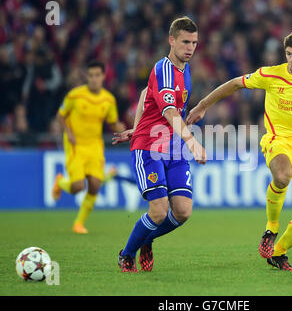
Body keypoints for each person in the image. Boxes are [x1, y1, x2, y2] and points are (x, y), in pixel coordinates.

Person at [187, 30, 292, 271]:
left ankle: (278, 252)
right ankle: (271, 227)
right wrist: (202, 106)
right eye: (288, 54)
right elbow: (234, 84)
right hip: (278, 139)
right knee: (282, 175)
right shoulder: (271, 75)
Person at [112, 17, 206, 273]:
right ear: (171, 40)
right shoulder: (163, 68)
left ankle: (147, 238)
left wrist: (136, 124)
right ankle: (127, 254)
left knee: (183, 212)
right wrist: (192, 141)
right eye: (185, 42)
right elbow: (169, 112)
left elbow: (145, 93)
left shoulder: (184, 68)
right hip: (150, 148)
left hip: (173, 148)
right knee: (159, 212)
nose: (190, 48)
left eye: (195, 43)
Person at [52, 61, 125, 234]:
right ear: (87, 76)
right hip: (76, 145)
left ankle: (78, 223)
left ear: (103, 76)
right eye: (90, 75)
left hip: (95, 146)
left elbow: (113, 123)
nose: (93, 79)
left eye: (97, 75)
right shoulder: (75, 96)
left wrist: (122, 129)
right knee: (78, 187)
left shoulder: (108, 100)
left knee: (94, 185)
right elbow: (60, 116)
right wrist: (68, 132)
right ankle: (60, 181)